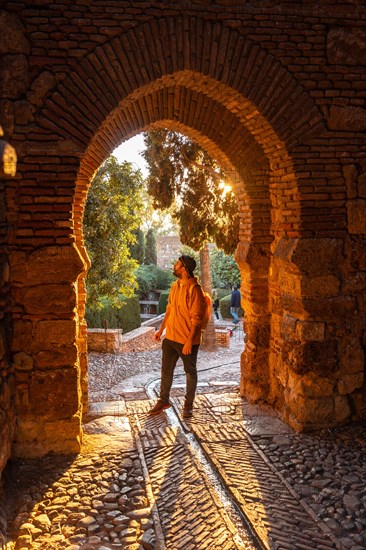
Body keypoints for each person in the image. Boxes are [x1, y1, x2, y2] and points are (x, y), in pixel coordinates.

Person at [148, 255, 207, 418]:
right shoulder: (175, 286)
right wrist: (161, 330)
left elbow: (197, 318)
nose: (174, 266)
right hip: (171, 337)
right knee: (166, 370)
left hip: (187, 340)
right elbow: (169, 309)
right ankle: (163, 400)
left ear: (183, 269)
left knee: (190, 372)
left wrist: (189, 342)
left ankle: (188, 404)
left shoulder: (194, 290)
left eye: (177, 264)